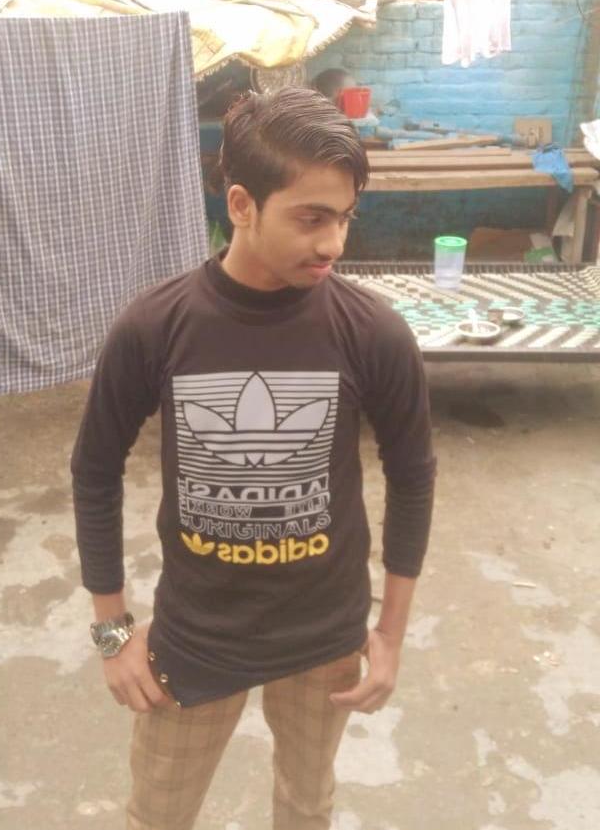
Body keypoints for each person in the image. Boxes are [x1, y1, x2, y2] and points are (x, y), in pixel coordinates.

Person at [71, 86, 436, 830]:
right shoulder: (157, 326)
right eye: (311, 217)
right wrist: (112, 634)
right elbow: (94, 470)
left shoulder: (372, 331)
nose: (333, 244)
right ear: (241, 204)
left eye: (345, 217)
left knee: (307, 806)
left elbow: (413, 475)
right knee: (157, 815)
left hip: (325, 637)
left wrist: (391, 635)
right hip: (196, 636)